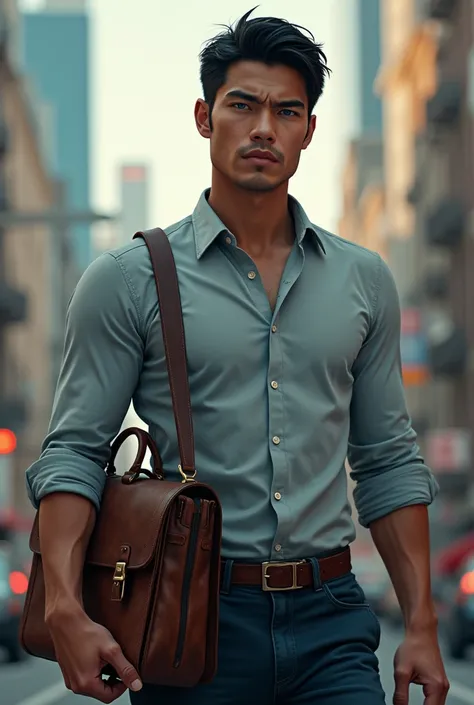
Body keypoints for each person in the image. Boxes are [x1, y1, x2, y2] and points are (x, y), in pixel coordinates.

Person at [26, 8, 449, 705]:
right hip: (191, 618)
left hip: (332, 621)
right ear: (204, 116)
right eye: (242, 105)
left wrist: (422, 622)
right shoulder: (126, 279)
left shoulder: (363, 280)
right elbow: (74, 452)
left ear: (309, 129)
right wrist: (65, 607)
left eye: (287, 111)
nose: (263, 128)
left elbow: (387, 459)